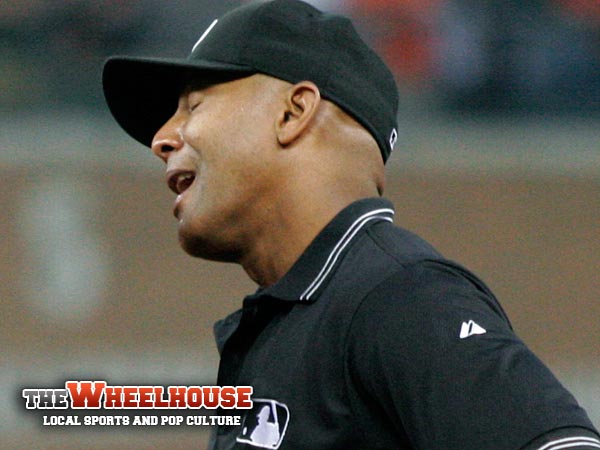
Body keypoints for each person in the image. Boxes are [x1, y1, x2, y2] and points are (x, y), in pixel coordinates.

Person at [102, 1, 599, 449]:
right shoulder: (293, 322)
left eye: (193, 106)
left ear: (293, 112)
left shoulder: (399, 298)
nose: (162, 138)